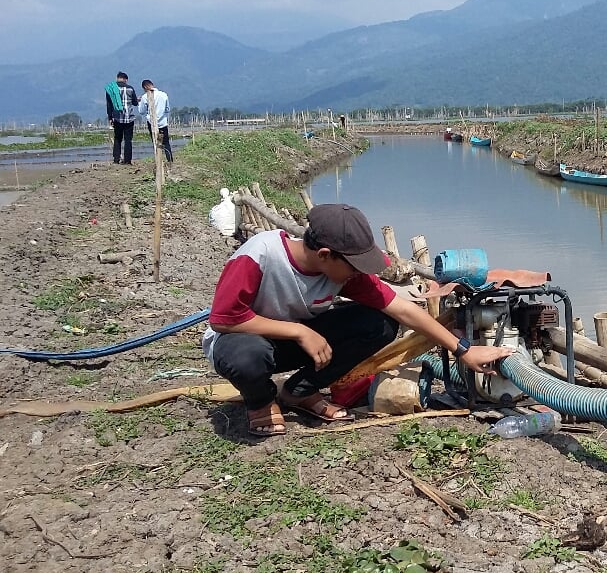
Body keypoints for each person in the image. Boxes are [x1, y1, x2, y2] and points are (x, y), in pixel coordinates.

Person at [202, 203, 512, 436]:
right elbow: (224, 319)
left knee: (379, 325)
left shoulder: (343, 273)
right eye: (354, 265)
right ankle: (260, 400)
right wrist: (298, 331)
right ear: (325, 254)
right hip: (241, 340)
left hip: (293, 341)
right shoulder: (259, 255)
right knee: (247, 358)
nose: (359, 273)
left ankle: (299, 392)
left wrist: (464, 349)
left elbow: (402, 310)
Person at [104, 72, 138, 164]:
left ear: (117, 78)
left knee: (117, 139)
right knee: (128, 140)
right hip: (129, 118)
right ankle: (127, 160)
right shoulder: (130, 88)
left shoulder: (111, 89)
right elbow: (135, 103)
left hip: (117, 118)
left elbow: (109, 105)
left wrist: (110, 117)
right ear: (126, 79)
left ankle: (116, 159)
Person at [137, 79, 173, 162]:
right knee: (166, 143)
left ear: (145, 87)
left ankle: (158, 161)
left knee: (155, 142)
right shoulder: (163, 95)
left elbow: (141, 111)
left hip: (152, 123)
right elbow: (167, 109)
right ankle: (170, 160)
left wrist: (140, 102)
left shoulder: (145, 97)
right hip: (163, 123)